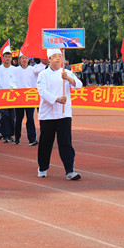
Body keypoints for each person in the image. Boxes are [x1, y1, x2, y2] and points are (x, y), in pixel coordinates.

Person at [36, 49, 83, 180]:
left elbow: (79, 85)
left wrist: (68, 78)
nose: (57, 58)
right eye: (54, 56)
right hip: (48, 114)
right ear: (49, 59)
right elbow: (42, 92)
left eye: (59, 56)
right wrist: (56, 99)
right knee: (46, 143)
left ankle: (70, 170)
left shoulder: (66, 72)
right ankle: (43, 167)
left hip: (64, 114)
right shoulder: (43, 74)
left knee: (65, 142)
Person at [14, 51, 38, 146]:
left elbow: (35, 81)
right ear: (19, 59)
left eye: (26, 58)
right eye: (22, 58)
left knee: (30, 118)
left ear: (29, 59)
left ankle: (32, 139)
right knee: (19, 118)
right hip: (19, 97)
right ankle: (17, 137)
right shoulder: (15, 70)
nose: (24, 60)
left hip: (29, 97)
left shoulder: (32, 70)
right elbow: (12, 81)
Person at [0, 45, 17, 143]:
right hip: (2, 94)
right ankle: (5, 135)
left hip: (12, 95)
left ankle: (10, 134)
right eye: (6, 57)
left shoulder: (15, 69)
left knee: (12, 115)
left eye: (9, 57)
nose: (7, 58)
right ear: (2, 58)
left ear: (11, 58)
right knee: (4, 115)